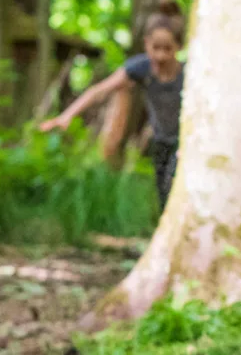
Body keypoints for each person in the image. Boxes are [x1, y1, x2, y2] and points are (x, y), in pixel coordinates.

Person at [39, 13, 187, 212]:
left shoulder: (188, 73)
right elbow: (99, 90)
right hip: (161, 140)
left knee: (175, 186)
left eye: (167, 49)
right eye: (155, 48)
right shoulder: (140, 68)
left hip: (184, 142)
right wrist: (67, 115)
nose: (160, 56)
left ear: (179, 46)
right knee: (163, 194)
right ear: (146, 44)